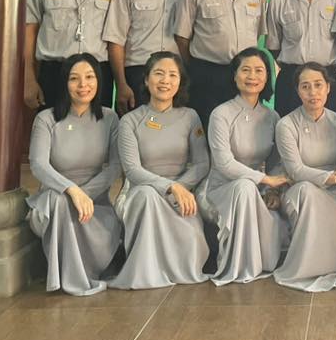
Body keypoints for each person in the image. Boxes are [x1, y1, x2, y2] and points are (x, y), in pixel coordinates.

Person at [110, 52, 209, 289]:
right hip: (140, 192)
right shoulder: (130, 121)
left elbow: (202, 163)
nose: (165, 80)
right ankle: (145, 273)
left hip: (180, 194)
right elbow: (132, 170)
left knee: (192, 240)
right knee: (147, 196)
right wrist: (169, 187)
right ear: (146, 79)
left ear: (180, 81)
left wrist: (180, 188)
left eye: (173, 75)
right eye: (159, 74)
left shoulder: (190, 117)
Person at [26, 53, 121, 295]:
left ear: (99, 81)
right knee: (60, 202)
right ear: (64, 83)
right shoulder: (46, 119)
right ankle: (69, 277)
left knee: (77, 209)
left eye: (89, 77)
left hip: (94, 202)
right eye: (74, 78)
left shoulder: (110, 118)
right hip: (52, 200)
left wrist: (84, 195)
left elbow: (115, 166)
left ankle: (79, 273)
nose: (83, 85)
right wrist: (71, 191)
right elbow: (38, 164)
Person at [197, 47, 290, 285]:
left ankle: (260, 262)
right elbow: (224, 163)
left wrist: (271, 190)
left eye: (259, 70)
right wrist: (264, 180)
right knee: (244, 187)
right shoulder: (221, 114)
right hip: (221, 187)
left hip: (258, 188)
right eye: (245, 70)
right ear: (235, 75)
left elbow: (276, 163)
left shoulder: (272, 117)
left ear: (267, 77)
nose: (252, 76)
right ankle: (239, 264)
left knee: (252, 190)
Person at [273, 63, 336, 291]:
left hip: (335, 189)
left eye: (318, 85)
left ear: (328, 88)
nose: (312, 92)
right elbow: (296, 170)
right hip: (298, 188)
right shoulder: (286, 125)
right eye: (305, 87)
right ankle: (309, 267)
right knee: (308, 193)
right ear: (297, 91)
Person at [173, 0, 267, 128]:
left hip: (245, 77)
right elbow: (182, 37)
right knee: (207, 129)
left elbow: (257, 32)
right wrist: (196, 69)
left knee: (244, 129)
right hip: (207, 76)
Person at [103, 0, 187, 114]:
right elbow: (115, 40)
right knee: (135, 128)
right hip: (138, 75)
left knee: (176, 129)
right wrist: (121, 84)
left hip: (177, 76)